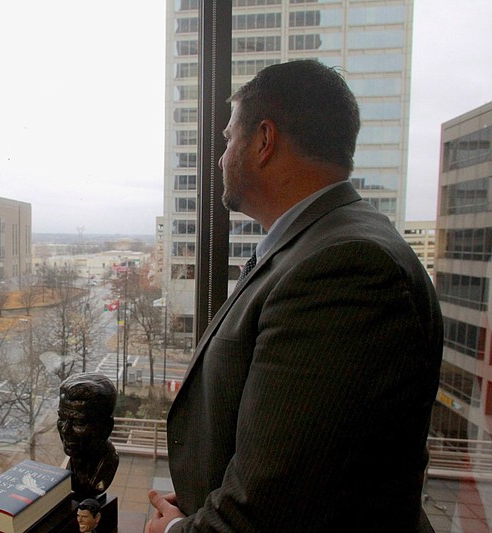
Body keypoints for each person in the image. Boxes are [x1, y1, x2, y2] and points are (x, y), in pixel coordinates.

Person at [146, 60, 443, 532]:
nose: (221, 157)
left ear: (264, 140)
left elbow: (271, 509)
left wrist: (172, 530)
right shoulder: (322, 244)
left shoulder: (344, 269)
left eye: (227, 139)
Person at [57, 373, 119, 498]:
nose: (65, 429)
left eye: (79, 422)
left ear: (106, 428)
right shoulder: (75, 460)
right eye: (62, 418)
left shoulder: (104, 469)